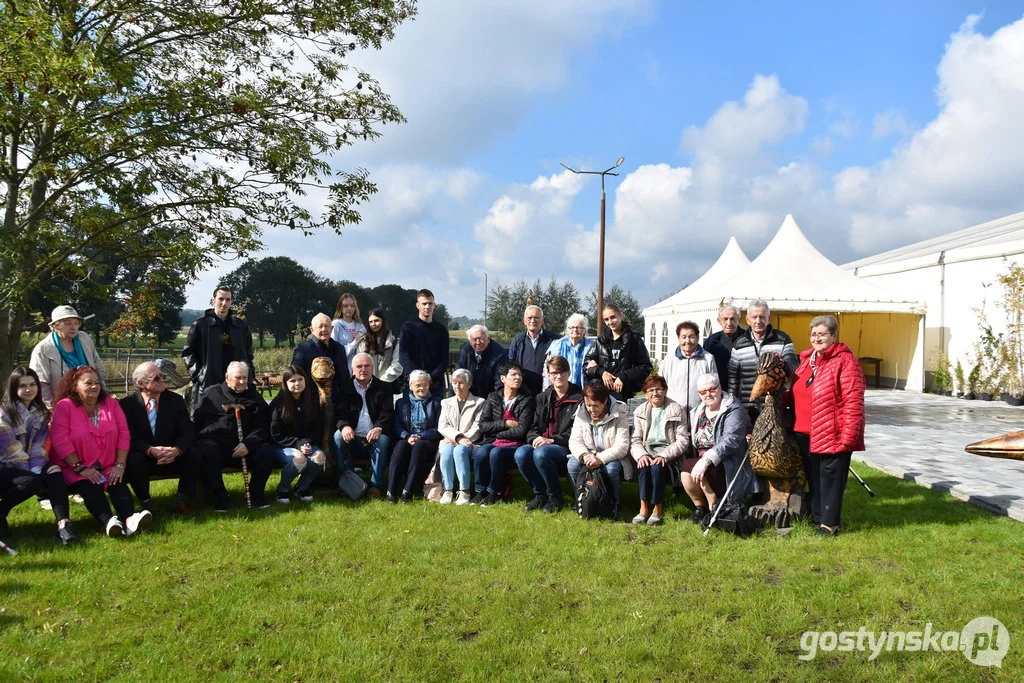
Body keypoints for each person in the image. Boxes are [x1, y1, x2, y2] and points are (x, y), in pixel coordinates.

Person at [50, 366, 152, 537]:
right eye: (88, 383)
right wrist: (80, 468)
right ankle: (109, 522)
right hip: (74, 467)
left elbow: (124, 433)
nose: (94, 386)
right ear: (75, 386)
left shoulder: (111, 404)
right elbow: (60, 440)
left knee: (116, 481)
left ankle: (129, 520)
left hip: (107, 464)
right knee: (90, 484)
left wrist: (119, 465)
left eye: (97, 382)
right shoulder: (64, 407)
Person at [790, 315, 866, 536]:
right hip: (805, 431)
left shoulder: (845, 361)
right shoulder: (807, 360)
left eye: (822, 334)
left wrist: (848, 436)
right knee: (815, 478)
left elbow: (853, 401)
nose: (817, 338)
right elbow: (798, 392)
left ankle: (830, 524)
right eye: (813, 334)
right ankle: (818, 518)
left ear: (834, 335)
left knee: (831, 480)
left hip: (832, 432)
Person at [0, 367, 78, 544]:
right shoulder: (4, 414)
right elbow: (10, 451)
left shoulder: (41, 412)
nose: (29, 389)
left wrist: (37, 467)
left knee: (54, 470)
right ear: (14, 389)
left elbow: (39, 445)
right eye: (23, 386)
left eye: (33, 384)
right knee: (32, 481)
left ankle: (64, 525)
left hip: (27, 465)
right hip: (6, 466)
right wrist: (34, 473)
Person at [120, 361, 203, 515]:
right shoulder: (127, 405)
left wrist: (177, 450)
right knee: (134, 459)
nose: (162, 380)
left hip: (172, 456)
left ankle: (181, 499)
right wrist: (149, 450)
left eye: (163, 376)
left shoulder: (175, 401)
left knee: (194, 453)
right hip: (146, 456)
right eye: (156, 378)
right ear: (141, 383)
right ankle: (146, 503)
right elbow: (127, 437)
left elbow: (187, 432)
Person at [193, 361, 277, 511]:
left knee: (266, 451)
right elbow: (198, 422)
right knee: (207, 449)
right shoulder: (212, 393)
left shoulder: (254, 397)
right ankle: (219, 496)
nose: (242, 381)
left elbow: (262, 426)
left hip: (245, 448)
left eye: (245, 378)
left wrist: (248, 444)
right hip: (218, 449)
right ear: (227, 377)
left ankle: (255, 494)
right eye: (238, 377)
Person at [683, 373, 759, 524]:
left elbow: (731, 440)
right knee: (686, 471)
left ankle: (714, 506)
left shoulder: (733, 409)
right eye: (703, 392)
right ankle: (700, 507)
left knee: (694, 468)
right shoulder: (698, 410)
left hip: (727, 459)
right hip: (700, 457)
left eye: (712, 389)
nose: (708, 394)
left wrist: (706, 460)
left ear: (720, 387)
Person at [514, 355, 582, 514]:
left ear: (569, 373)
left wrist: (551, 440)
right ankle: (540, 493)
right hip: (542, 443)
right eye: (554, 373)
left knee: (540, 454)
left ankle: (555, 497)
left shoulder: (578, 397)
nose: (559, 376)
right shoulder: (542, 397)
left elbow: (578, 431)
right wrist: (535, 437)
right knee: (521, 454)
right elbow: (531, 427)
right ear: (549, 375)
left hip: (565, 445)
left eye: (562, 372)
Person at [629, 375, 692, 525]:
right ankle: (643, 507)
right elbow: (636, 439)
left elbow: (683, 440)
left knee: (657, 467)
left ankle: (658, 509)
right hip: (647, 450)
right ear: (645, 394)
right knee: (644, 465)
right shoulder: (640, 411)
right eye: (650, 390)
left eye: (658, 389)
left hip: (669, 453)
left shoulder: (676, 409)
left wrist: (664, 455)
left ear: (665, 390)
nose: (655, 393)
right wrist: (641, 455)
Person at [182, 286, 255, 415]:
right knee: (209, 419)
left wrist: (250, 374)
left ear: (231, 302)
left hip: (236, 380)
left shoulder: (240, 326)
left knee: (240, 416)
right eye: (221, 299)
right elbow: (188, 353)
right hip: (209, 380)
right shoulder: (200, 325)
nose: (224, 303)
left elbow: (248, 353)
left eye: (228, 300)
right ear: (213, 300)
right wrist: (199, 375)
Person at [471, 363, 535, 506]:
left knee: (496, 453)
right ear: (503, 378)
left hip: (516, 444)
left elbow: (522, 430)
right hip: (493, 442)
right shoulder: (493, 397)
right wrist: (505, 423)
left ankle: (495, 491)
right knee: (481, 453)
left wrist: (498, 434)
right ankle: (480, 490)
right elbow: (483, 425)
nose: (518, 378)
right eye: (513, 374)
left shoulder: (527, 400)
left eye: (519, 375)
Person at [336, 352, 394, 499]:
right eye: (359, 366)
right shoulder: (345, 388)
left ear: (372, 368)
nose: (363, 369)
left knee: (383, 440)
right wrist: (344, 426)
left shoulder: (384, 388)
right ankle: (349, 483)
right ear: (353, 369)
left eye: (367, 366)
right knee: (337, 436)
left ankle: (375, 486)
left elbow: (387, 414)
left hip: (374, 437)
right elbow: (340, 413)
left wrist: (378, 428)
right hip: (353, 438)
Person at [567, 381, 630, 517]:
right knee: (572, 464)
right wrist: (584, 455)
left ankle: (613, 502)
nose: (591, 409)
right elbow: (575, 440)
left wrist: (600, 458)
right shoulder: (581, 411)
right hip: (589, 453)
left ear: (605, 401)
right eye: (588, 405)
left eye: (595, 406)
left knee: (611, 469)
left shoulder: (620, 410)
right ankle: (582, 498)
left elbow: (622, 445)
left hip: (612, 455)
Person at [728, 299, 798, 421]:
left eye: (762, 317)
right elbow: (733, 379)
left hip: (775, 406)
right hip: (746, 409)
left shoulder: (783, 339)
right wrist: (732, 405)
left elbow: (794, 369)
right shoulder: (738, 344)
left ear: (769, 318)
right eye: (754, 317)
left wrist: (780, 363)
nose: (758, 321)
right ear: (747, 320)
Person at [269, 365, 329, 504]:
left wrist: (306, 442)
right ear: (285, 383)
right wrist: (297, 444)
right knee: (299, 459)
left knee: (319, 457)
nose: (297, 384)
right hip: (281, 446)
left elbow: (318, 428)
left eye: (300, 379)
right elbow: (276, 433)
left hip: (305, 443)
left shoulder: (313, 402)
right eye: (292, 381)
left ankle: (301, 488)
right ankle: (282, 491)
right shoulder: (278, 404)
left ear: (305, 381)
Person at [29, 305, 105, 406]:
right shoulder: (43, 349)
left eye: (76, 323)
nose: (73, 327)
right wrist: (50, 408)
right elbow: (40, 382)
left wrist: (104, 395)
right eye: (67, 323)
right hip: (62, 404)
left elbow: (98, 366)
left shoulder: (84, 339)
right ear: (55, 326)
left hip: (90, 401)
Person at [387, 371, 442, 503]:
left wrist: (420, 436)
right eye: (418, 385)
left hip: (427, 441)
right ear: (410, 386)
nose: (421, 388)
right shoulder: (401, 403)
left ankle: (408, 491)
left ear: (429, 385)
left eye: (425, 385)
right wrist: (407, 437)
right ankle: (391, 491)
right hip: (407, 439)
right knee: (400, 446)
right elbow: (397, 426)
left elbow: (439, 428)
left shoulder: (437, 403)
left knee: (419, 447)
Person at [584, 304, 652, 401]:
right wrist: (601, 372)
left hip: (623, 394)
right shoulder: (601, 340)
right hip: (601, 394)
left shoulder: (634, 339)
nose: (610, 322)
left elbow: (645, 366)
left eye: (613, 317)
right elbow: (586, 365)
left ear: (621, 315)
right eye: (606, 319)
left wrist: (624, 376)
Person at [437, 369, 485, 505]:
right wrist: (457, 438)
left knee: (459, 450)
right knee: (446, 451)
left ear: (469, 384)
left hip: (471, 443)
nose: (457, 386)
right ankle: (448, 489)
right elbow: (442, 426)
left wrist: (463, 440)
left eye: (461, 383)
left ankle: (464, 491)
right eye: (454, 383)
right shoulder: (446, 403)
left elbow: (477, 427)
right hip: (450, 441)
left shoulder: (479, 402)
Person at [398, 289, 449, 398]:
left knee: (436, 415)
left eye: (430, 303)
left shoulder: (441, 330)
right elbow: (403, 355)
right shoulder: (408, 328)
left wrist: (431, 377)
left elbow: (444, 359)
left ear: (434, 305)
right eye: (424, 303)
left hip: (435, 384)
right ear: (418, 305)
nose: (427, 307)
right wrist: (419, 376)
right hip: (413, 383)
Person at [661, 321, 717, 414]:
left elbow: (714, 387)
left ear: (698, 337)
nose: (687, 341)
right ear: (678, 338)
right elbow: (661, 385)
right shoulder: (669, 359)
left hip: (701, 412)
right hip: (674, 412)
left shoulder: (708, 358)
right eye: (684, 337)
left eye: (692, 337)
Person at [292, 312, 353, 399]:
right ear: (312, 330)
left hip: (337, 401)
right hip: (311, 401)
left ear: (332, 328)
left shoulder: (339, 348)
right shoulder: (303, 350)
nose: (324, 329)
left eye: (326, 326)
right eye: (320, 327)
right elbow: (296, 375)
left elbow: (344, 377)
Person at [507, 305, 558, 396]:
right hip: (523, 391)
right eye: (529, 318)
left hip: (548, 391)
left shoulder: (554, 340)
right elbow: (511, 363)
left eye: (536, 317)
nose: (533, 320)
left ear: (542, 321)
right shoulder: (518, 340)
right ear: (525, 321)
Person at [543, 313, 594, 389]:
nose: (575, 330)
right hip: (562, 391)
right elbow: (547, 370)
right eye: (572, 327)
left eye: (579, 327)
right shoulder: (557, 345)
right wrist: (547, 389)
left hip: (585, 390)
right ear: (567, 330)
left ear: (584, 330)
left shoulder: (592, 346)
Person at [358, 308, 403, 390]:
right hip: (365, 388)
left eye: (376, 320)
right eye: (370, 322)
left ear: (383, 321)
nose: (373, 324)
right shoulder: (363, 342)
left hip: (386, 388)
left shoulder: (394, 342)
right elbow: (358, 364)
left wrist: (381, 383)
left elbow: (397, 366)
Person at [455, 324, 505, 398]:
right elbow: (458, 375)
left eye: (481, 339)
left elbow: (499, 382)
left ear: (488, 339)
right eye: (474, 339)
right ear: (469, 341)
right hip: (468, 396)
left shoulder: (499, 353)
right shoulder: (465, 350)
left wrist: (492, 403)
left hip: (489, 396)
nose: (478, 342)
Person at [703, 305, 744, 390]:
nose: (729, 323)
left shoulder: (748, 339)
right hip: (719, 391)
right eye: (725, 319)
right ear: (719, 321)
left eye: (732, 319)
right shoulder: (712, 341)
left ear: (738, 320)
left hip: (743, 391)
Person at [331, 292, 367, 368]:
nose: (349, 308)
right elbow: (334, 351)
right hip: (341, 370)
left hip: (359, 371)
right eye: (345, 306)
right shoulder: (336, 325)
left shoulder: (360, 325)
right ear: (340, 307)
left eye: (352, 305)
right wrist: (354, 342)